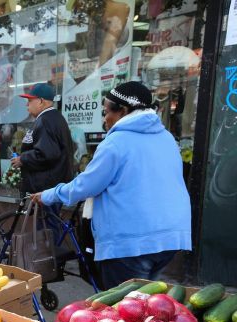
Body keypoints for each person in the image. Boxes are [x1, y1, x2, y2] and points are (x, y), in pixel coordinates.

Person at [32, 81, 191, 289]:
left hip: (132, 242)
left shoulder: (116, 142)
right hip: (170, 238)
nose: (104, 119)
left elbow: (86, 186)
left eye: (106, 112)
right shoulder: (166, 138)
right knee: (144, 303)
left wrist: (48, 195)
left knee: (122, 311)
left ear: (123, 111)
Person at [12, 83, 75, 231]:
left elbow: (47, 154)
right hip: (52, 185)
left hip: (48, 187)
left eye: (30, 100)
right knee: (48, 227)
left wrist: (22, 159)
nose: (27, 105)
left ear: (41, 101)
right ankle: (49, 252)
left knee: (47, 230)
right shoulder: (52, 118)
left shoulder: (46, 120)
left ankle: (49, 253)